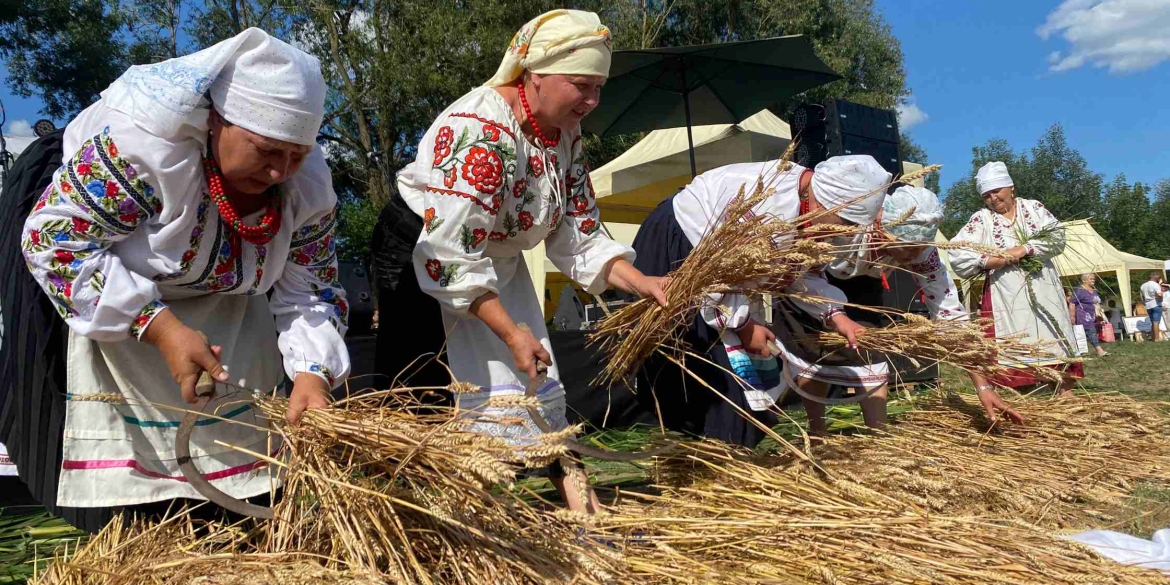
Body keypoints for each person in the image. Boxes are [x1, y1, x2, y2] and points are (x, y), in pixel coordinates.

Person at [0, 29, 350, 533]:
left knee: (240, 493)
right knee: (131, 512)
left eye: (295, 154)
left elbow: (310, 287)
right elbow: (55, 243)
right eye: (266, 150)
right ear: (216, 122)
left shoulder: (306, 187)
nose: (279, 172)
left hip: (229, 314)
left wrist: (313, 373)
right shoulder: (145, 151)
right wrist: (158, 326)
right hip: (112, 291)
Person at [391, 10, 667, 514]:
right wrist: (512, 332)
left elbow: (580, 233)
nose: (592, 100)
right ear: (534, 74)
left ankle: (583, 510)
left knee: (540, 384)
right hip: (426, 253)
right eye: (581, 84)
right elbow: (450, 255)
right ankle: (453, 519)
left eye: (599, 87)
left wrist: (640, 281)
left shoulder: (564, 135)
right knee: (447, 397)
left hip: (497, 261)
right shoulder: (479, 130)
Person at [632, 154, 890, 447]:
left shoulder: (813, 218)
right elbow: (718, 270)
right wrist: (743, 327)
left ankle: (708, 458)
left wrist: (837, 317)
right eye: (841, 222)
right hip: (680, 251)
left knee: (728, 392)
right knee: (704, 375)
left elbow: (801, 273)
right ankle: (704, 460)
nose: (837, 234)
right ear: (822, 201)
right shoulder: (768, 205)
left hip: (724, 288)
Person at [817, 186, 1024, 431]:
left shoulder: (923, 255)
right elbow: (804, 273)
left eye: (918, 247)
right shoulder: (848, 226)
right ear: (884, 227)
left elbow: (950, 315)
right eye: (906, 246)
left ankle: (877, 434)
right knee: (812, 350)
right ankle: (816, 431)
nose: (912, 255)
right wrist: (835, 315)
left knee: (872, 349)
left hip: (868, 281)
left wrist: (983, 387)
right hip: (817, 276)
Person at [949, 162, 1083, 398]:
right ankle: (1030, 404)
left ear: (1011, 188)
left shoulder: (1033, 208)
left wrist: (1024, 249)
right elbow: (957, 253)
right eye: (987, 195)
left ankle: (1067, 400)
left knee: (1055, 343)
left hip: (1045, 290)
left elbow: (1057, 236)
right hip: (1007, 295)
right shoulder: (982, 219)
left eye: (996, 191)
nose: (993, 198)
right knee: (1017, 348)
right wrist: (997, 260)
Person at [1070, 274, 1108, 357]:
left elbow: (1097, 302)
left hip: (1093, 314)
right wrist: (1072, 316)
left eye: (1094, 279)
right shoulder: (1079, 290)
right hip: (1083, 315)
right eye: (1091, 279)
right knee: (1091, 330)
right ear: (1084, 280)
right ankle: (1099, 350)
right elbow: (1072, 303)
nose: (1093, 280)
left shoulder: (1094, 290)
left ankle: (1079, 350)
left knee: (1089, 332)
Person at [1140, 272, 1164, 342]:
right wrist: (1161, 296)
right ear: (1156, 277)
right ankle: (1156, 338)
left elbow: (1142, 297)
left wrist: (1144, 303)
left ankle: (1153, 337)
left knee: (1152, 322)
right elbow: (1159, 294)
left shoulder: (1143, 285)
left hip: (1148, 305)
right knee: (1156, 322)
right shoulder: (1155, 285)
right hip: (1156, 304)